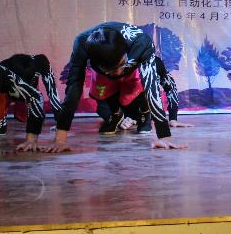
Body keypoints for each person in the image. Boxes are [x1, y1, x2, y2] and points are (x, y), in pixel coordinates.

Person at [49, 22, 185, 152]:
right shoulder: (81, 44)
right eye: (113, 69)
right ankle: (116, 115)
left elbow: (152, 88)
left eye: (122, 64)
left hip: (133, 80)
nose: (119, 72)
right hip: (105, 80)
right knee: (97, 94)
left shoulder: (141, 43)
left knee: (144, 87)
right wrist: (60, 139)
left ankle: (142, 116)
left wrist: (164, 137)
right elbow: (73, 89)